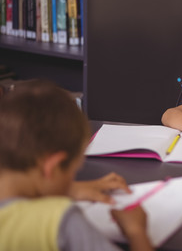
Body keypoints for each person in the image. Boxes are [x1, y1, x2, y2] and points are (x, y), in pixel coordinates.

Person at [0, 79, 154, 251]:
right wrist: (136, 232)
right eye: (73, 172)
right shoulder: (60, 220)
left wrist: (71, 189)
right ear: (54, 166)